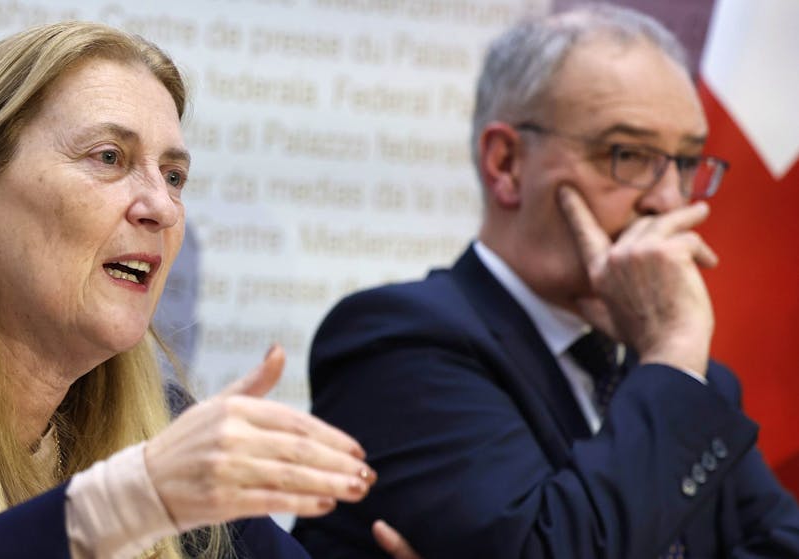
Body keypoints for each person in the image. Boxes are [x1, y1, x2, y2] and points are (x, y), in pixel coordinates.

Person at [0, 21, 425, 559]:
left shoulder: (162, 421)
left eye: (174, 174)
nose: (161, 206)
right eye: (108, 157)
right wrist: (130, 502)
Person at [292, 5, 799, 558]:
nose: (668, 200)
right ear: (506, 163)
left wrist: (672, 360)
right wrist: (675, 348)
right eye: (628, 154)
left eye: (685, 162)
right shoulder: (400, 343)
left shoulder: (684, 380)